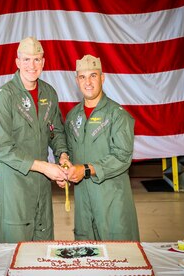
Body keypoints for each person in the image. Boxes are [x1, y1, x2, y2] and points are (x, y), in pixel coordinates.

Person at [0, 37, 70, 243]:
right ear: (17, 62)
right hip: (16, 187)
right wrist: (45, 167)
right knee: (15, 253)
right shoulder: (3, 97)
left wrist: (62, 155)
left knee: (44, 253)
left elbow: (56, 131)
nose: (31, 65)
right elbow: (3, 149)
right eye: (26, 60)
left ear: (43, 62)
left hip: (42, 188)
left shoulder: (49, 93)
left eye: (36, 59)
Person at [62, 54, 140, 241]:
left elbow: (122, 158)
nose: (87, 82)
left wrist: (87, 169)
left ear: (102, 78)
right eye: (82, 77)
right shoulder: (72, 117)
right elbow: (71, 154)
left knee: (119, 261)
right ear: (77, 80)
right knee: (86, 259)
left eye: (93, 76)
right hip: (83, 206)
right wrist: (66, 171)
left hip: (112, 204)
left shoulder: (118, 116)